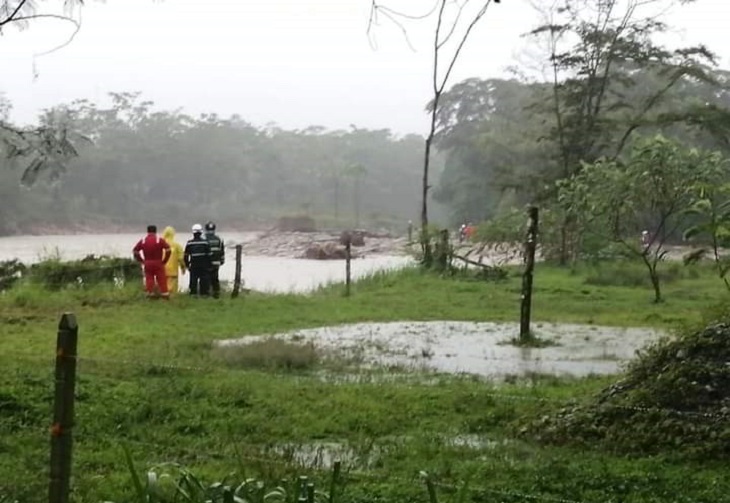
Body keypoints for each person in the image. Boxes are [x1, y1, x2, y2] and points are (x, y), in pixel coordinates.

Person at [132, 224, 171, 299]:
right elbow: (168, 250)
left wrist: (141, 260)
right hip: (158, 262)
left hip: (147, 262)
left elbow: (135, 251)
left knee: (149, 278)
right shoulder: (159, 240)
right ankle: (165, 294)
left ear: (147, 231)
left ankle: (150, 294)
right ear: (155, 231)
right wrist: (165, 260)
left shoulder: (143, 240)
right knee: (161, 278)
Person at [184, 224, 212, 297]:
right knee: (204, 280)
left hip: (193, 264)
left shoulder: (189, 243)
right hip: (204, 264)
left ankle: (193, 294)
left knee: (193, 280)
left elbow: (186, 256)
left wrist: (187, 265)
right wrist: (209, 265)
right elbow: (209, 255)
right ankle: (204, 294)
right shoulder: (205, 242)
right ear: (201, 232)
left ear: (193, 233)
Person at [162, 226, 187, 295]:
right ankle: (172, 302)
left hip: (162, 271)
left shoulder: (160, 245)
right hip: (173, 271)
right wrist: (183, 268)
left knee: (163, 288)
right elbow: (180, 259)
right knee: (172, 290)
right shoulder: (177, 246)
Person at [204, 221, 225, 298]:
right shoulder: (219, 239)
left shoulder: (203, 238)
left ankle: (206, 294)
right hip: (216, 262)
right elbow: (222, 251)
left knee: (206, 278)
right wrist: (222, 261)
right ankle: (216, 294)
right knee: (215, 278)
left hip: (206, 263)